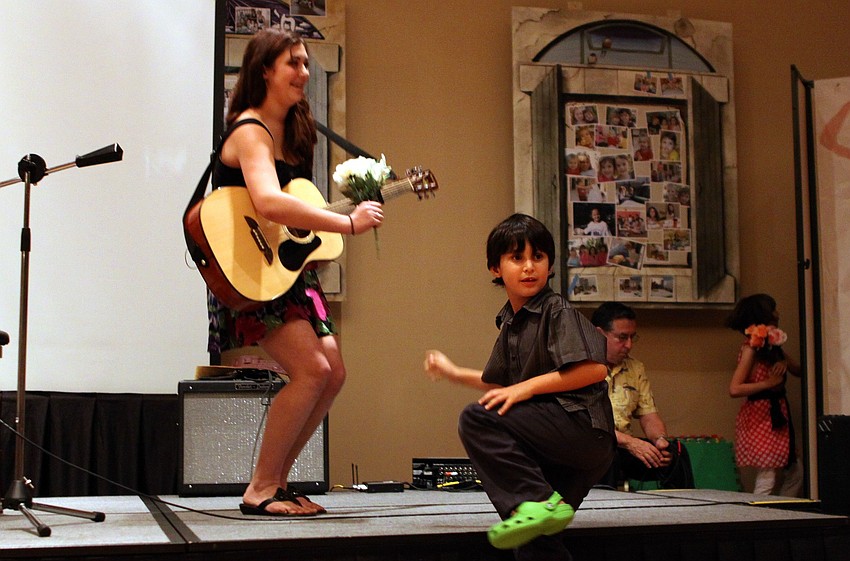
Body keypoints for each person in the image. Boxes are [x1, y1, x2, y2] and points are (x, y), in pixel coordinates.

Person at [207, 29, 385, 516]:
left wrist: (319, 242)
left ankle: (277, 483)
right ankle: (260, 489)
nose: (304, 73)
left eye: (306, 64)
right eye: (294, 63)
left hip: (285, 272)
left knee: (332, 374)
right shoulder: (249, 130)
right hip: (251, 272)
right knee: (312, 370)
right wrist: (346, 222)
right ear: (265, 69)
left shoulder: (293, 131)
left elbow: (288, 217)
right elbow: (266, 200)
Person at [423, 214, 615, 560]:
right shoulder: (512, 322)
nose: (529, 267)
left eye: (537, 257)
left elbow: (594, 370)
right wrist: (453, 373)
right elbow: (498, 382)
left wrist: (524, 390)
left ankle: (539, 502)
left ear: (550, 265)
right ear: (495, 268)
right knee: (534, 534)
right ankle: (540, 506)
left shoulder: (556, 310)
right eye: (517, 258)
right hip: (567, 447)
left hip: (583, 428)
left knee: (478, 418)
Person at [590, 302, 692, 489]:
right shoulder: (579, 367)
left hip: (625, 448)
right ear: (598, 334)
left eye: (632, 337)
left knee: (675, 454)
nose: (628, 345)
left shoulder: (635, 368)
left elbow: (649, 415)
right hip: (592, 448)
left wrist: (660, 441)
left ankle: (684, 512)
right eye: (622, 337)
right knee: (604, 451)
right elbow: (586, 426)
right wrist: (631, 443)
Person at [725, 294, 803, 496]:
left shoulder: (771, 345)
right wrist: (768, 383)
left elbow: (799, 370)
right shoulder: (751, 347)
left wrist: (783, 362)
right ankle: (757, 519)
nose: (777, 313)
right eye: (773, 309)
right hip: (761, 417)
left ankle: (781, 514)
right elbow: (735, 388)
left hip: (777, 415)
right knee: (767, 476)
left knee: (795, 472)